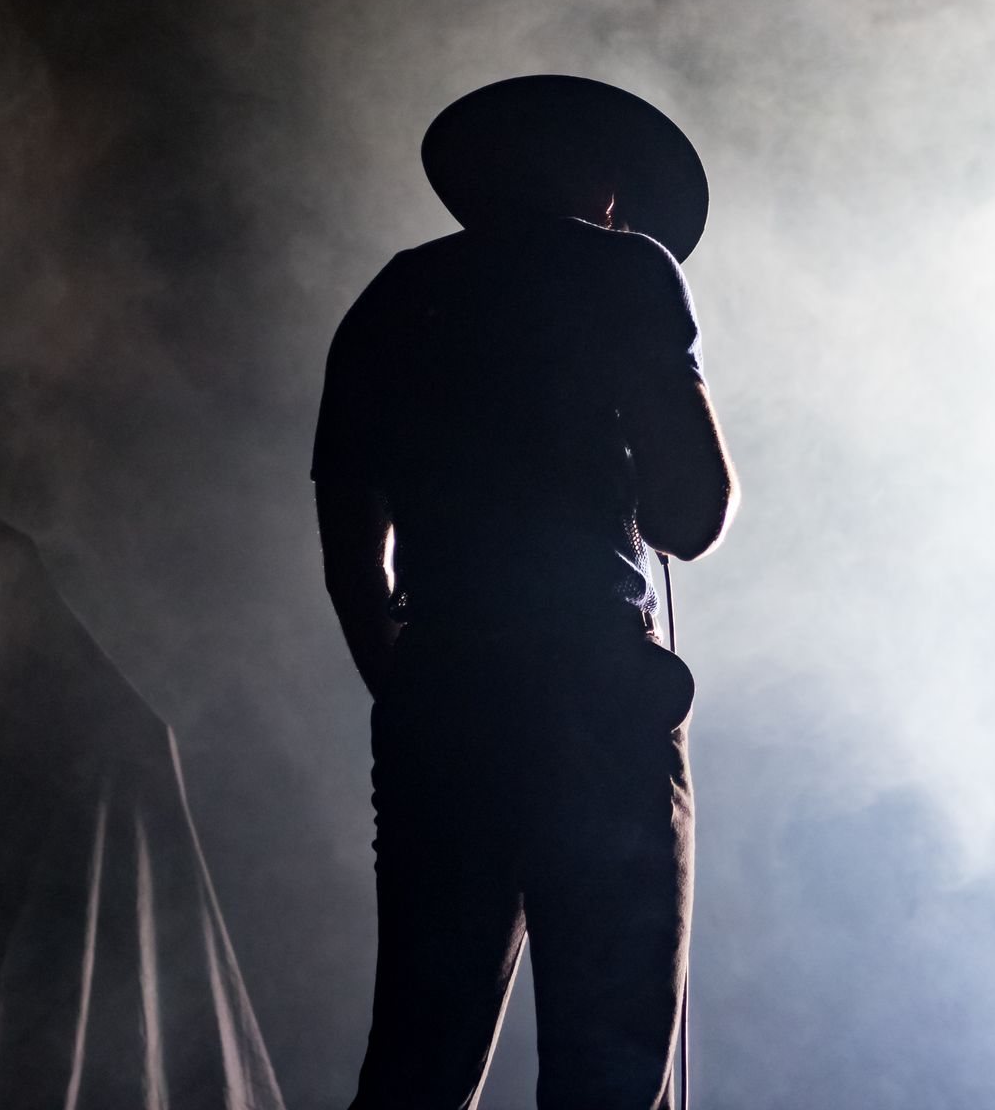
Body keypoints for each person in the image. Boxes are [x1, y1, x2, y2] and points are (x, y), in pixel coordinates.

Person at [311, 75, 739, 1110]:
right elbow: (693, 513)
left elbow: (348, 545)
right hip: (595, 690)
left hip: (442, 698)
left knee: (418, 1062)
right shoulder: (628, 271)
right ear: (601, 184)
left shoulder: (394, 292)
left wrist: (415, 691)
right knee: (609, 1067)